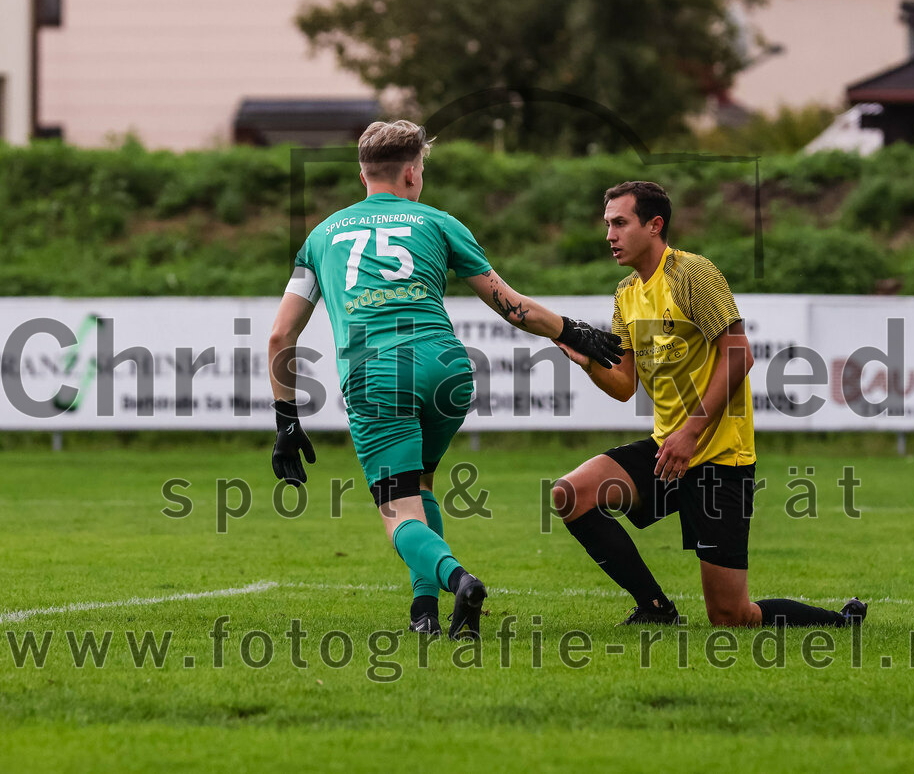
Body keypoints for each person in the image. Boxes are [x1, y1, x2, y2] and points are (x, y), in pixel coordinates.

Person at [267, 120, 623, 639]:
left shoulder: (321, 236)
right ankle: (424, 613)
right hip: (447, 370)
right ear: (411, 172)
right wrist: (572, 331)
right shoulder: (438, 222)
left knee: (396, 509)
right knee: (422, 484)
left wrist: (286, 419)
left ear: (363, 173)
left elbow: (281, 336)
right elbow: (512, 306)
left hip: (378, 375)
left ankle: (459, 579)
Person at [552, 180, 866, 628]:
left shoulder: (693, 274)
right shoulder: (625, 294)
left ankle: (842, 622)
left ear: (654, 225)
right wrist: (586, 362)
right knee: (571, 494)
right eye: (607, 224)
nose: (609, 236)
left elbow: (740, 354)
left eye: (620, 223)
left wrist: (691, 432)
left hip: (719, 457)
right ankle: (655, 608)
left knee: (731, 616)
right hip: (668, 452)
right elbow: (624, 385)